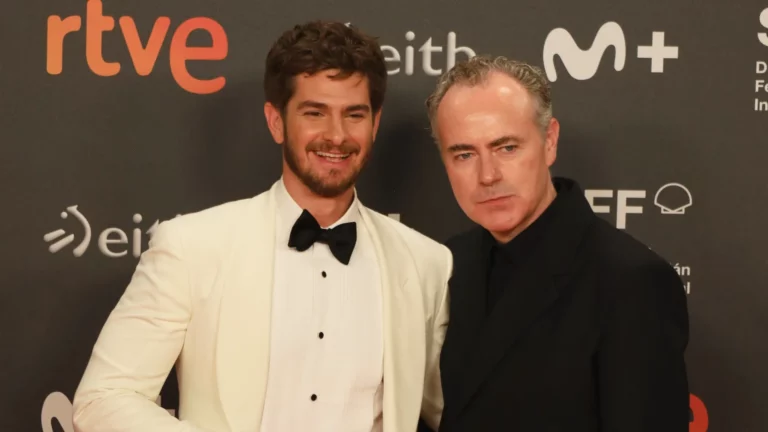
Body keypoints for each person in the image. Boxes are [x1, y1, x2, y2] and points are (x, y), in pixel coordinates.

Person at [72, 20, 451, 432]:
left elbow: (455, 409)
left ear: (375, 124)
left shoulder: (426, 264)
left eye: (354, 115)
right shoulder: (191, 246)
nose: (336, 135)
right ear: (276, 121)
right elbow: (103, 399)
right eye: (315, 113)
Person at [424, 55, 690, 431]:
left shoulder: (630, 282)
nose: (487, 175)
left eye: (506, 148)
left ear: (549, 142)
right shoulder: (447, 262)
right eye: (465, 154)